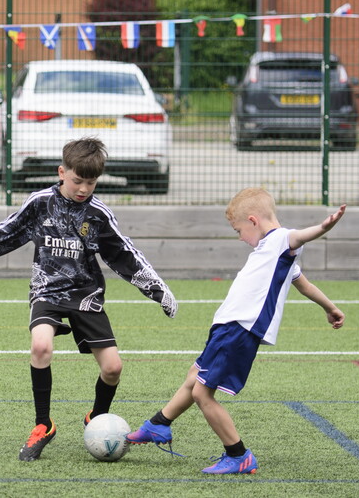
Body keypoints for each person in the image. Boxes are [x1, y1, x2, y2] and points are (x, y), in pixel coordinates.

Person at [0, 137, 177, 462]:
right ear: (61, 172)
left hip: (85, 295)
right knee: (41, 346)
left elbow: (125, 255)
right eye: (77, 180)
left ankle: (98, 419)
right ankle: (43, 425)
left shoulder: (97, 214)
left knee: (112, 368)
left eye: (90, 183)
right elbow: (4, 233)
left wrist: (158, 290)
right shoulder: (40, 203)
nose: (83, 188)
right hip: (47, 290)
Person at [126, 188, 346, 474]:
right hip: (227, 327)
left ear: (253, 220)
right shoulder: (270, 252)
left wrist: (324, 227)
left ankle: (238, 454)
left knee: (203, 394)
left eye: (238, 229)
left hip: (241, 329)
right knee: (194, 377)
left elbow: (298, 236)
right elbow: (304, 284)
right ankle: (158, 425)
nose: (239, 237)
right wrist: (330, 308)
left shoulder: (280, 240)